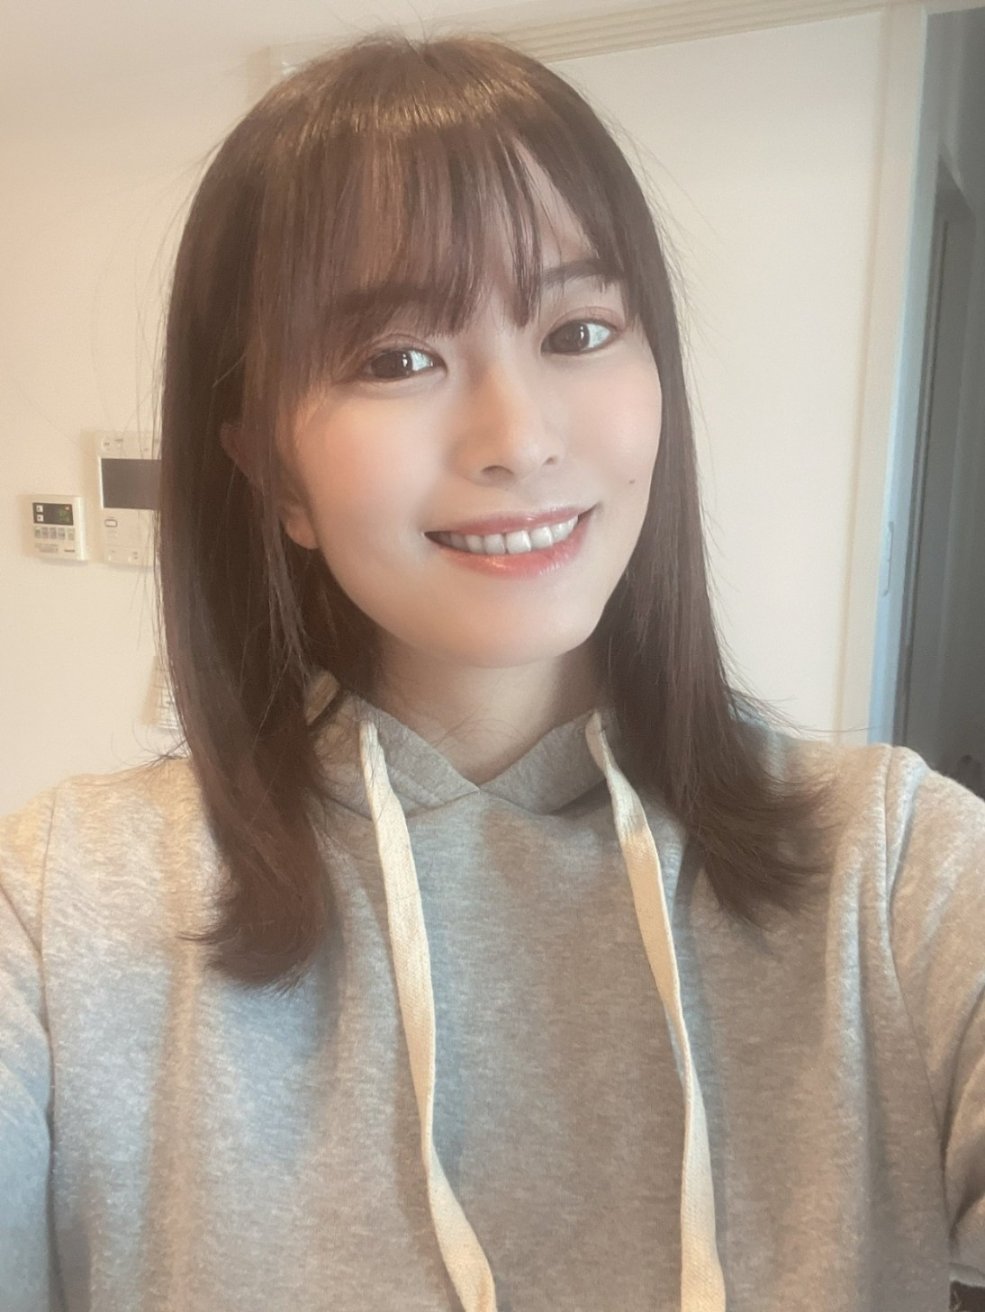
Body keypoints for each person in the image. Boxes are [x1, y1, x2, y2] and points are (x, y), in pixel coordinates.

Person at [1, 30, 983, 1312]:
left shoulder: (897, 870)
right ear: (272, 472)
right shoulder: (63, 908)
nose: (518, 437)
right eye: (395, 358)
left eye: (580, 328)